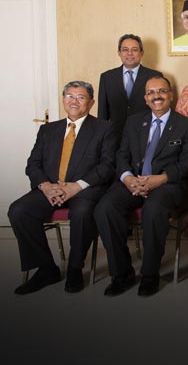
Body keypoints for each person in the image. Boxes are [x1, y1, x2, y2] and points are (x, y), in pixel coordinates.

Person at [94, 76, 188, 297]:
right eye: (151, 93)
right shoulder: (133, 122)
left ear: (171, 95)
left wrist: (159, 179)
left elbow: (187, 162)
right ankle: (121, 273)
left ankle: (150, 274)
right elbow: (122, 155)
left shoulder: (186, 125)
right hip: (134, 181)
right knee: (105, 208)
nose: (156, 96)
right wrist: (127, 177)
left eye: (161, 91)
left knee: (153, 209)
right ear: (145, 98)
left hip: (167, 185)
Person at [9, 81, 116, 295]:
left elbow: (107, 166)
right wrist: (46, 186)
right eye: (69, 96)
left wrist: (76, 187)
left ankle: (75, 267)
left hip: (85, 189)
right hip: (52, 188)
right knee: (18, 210)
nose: (74, 101)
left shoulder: (105, 128)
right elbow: (33, 164)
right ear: (63, 99)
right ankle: (47, 268)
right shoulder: (48, 129)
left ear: (91, 102)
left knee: (83, 212)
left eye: (80, 97)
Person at [98, 34, 163, 144]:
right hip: (115, 137)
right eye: (125, 50)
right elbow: (102, 113)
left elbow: (160, 108)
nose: (129, 53)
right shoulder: (107, 77)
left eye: (134, 50)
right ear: (119, 53)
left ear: (141, 53)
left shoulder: (154, 76)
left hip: (146, 134)